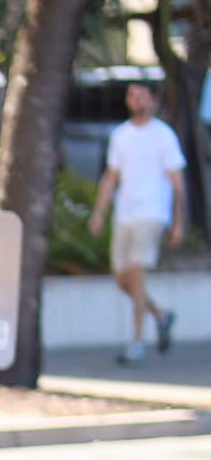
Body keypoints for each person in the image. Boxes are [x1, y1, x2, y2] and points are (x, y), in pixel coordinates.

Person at [89, 81, 186, 366]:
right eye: (133, 95)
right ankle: (160, 315)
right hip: (124, 214)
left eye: (142, 95)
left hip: (151, 213)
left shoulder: (164, 136)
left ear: (153, 100)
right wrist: (98, 213)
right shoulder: (121, 135)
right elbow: (111, 177)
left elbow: (177, 183)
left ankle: (136, 342)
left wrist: (178, 221)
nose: (137, 100)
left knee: (137, 274)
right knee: (123, 280)